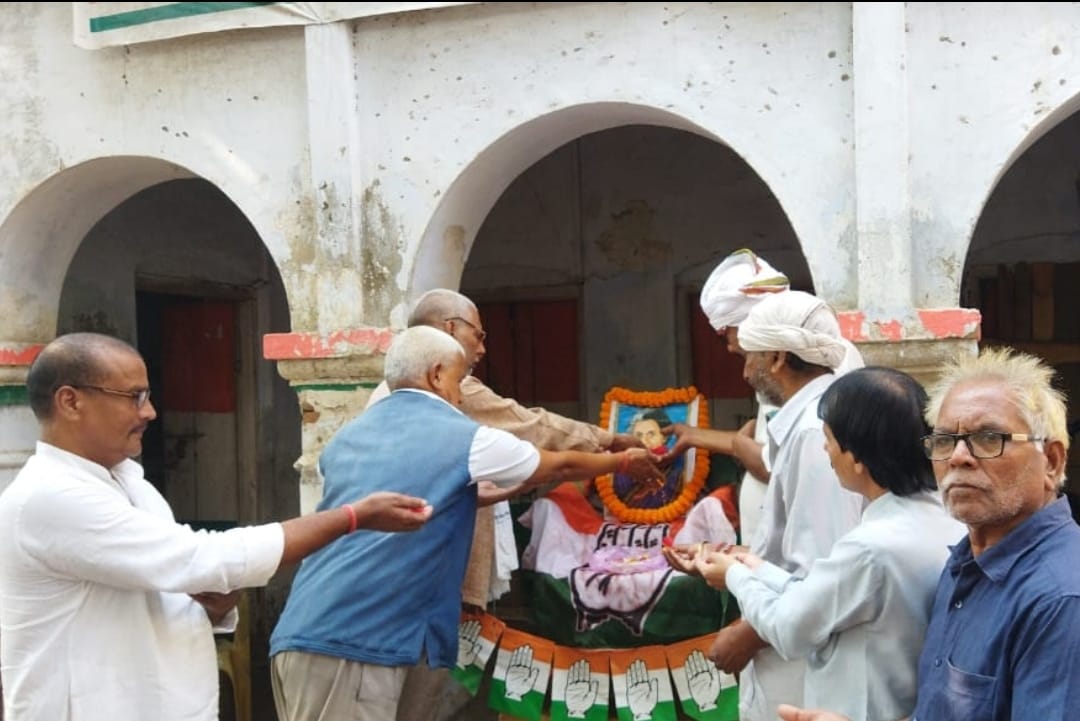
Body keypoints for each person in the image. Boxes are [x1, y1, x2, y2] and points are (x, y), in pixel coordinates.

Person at [0, 332, 434, 721]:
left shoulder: (129, 481)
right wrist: (350, 518)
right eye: (133, 396)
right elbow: (201, 559)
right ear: (70, 401)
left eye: (147, 395)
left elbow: (170, 589)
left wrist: (215, 606)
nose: (149, 412)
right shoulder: (48, 496)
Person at [269, 326, 663, 721]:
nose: (461, 396)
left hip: (317, 631)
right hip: (355, 645)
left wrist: (489, 492)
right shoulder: (461, 435)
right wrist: (622, 461)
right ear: (437, 375)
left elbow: (429, 500)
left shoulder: (346, 438)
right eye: (460, 382)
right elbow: (557, 463)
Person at [367, 289, 642, 721]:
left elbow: (468, 486)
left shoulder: (393, 401)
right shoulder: (436, 393)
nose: (482, 347)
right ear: (449, 332)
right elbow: (532, 432)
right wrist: (616, 450)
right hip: (419, 586)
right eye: (478, 334)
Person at [779, 346, 1080, 721]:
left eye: (989, 438)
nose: (958, 457)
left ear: (1050, 461)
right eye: (943, 440)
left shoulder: (1061, 599)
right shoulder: (963, 562)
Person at [675, 367, 964, 721]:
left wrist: (736, 577)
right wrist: (757, 568)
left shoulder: (871, 547)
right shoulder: (946, 520)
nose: (825, 450)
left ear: (857, 458)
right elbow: (825, 595)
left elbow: (789, 628)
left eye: (828, 438)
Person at [667, 290, 865, 721]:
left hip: (800, 664)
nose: (743, 371)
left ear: (776, 357)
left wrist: (748, 633)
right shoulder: (808, 421)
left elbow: (823, 577)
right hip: (786, 640)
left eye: (749, 356)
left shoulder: (816, 433)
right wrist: (734, 564)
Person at [665, 249, 789, 542]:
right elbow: (760, 444)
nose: (730, 346)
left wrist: (740, 444)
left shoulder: (787, 375)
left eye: (727, 332)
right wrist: (694, 436)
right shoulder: (773, 369)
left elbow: (777, 467)